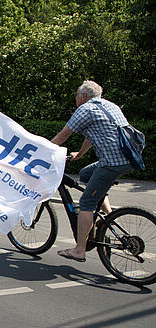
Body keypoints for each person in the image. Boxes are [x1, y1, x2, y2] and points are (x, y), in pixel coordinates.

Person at [51, 80, 134, 262]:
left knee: (87, 203)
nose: (76, 99)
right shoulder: (109, 106)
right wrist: (80, 154)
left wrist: (44, 150)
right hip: (127, 159)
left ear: (83, 96)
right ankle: (110, 216)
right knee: (86, 174)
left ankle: (80, 250)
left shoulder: (85, 109)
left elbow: (64, 135)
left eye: (76, 96)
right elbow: (94, 135)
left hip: (111, 163)